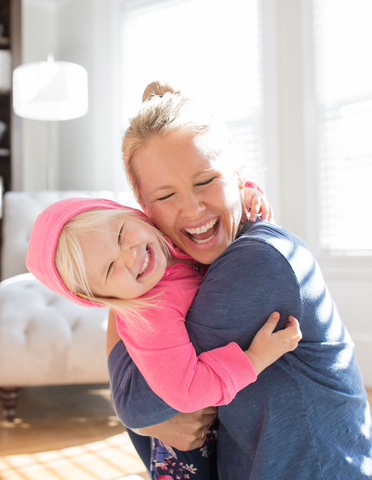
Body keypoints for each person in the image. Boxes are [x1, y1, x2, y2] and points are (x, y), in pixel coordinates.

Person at [105, 82, 372, 479]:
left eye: (205, 181)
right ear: (145, 211)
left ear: (239, 176)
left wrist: (120, 292)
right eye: (166, 196)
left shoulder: (256, 262)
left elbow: (135, 401)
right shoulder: (191, 266)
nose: (192, 208)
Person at [25, 193, 301, 480]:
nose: (130, 256)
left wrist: (246, 196)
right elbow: (187, 389)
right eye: (109, 269)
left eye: (120, 234)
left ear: (133, 214)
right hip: (186, 451)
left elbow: (209, 198)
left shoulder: (170, 234)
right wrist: (254, 359)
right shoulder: (150, 315)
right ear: (101, 297)